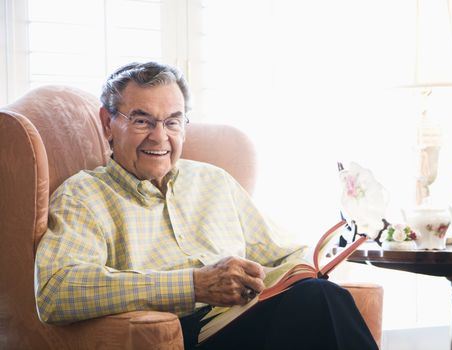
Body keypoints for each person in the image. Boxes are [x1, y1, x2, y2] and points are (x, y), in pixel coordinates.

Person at [34, 61, 378, 350]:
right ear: (109, 124)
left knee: (322, 294)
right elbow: (56, 290)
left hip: (248, 317)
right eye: (142, 120)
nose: (159, 136)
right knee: (319, 303)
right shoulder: (84, 196)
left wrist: (301, 269)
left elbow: (283, 251)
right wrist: (194, 284)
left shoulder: (213, 181)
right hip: (185, 335)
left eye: (172, 121)